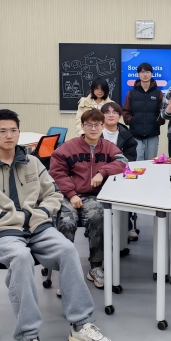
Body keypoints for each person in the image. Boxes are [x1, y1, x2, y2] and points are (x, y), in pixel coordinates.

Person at [0, 109, 113, 341]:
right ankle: (29, 336)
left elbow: (53, 194)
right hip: (2, 231)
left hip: (37, 227)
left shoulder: (32, 162)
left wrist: (39, 213)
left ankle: (81, 324)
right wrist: (3, 217)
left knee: (67, 250)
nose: (9, 135)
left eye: (13, 130)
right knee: (21, 258)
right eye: (2, 131)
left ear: (19, 132)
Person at [49, 109, 127, 290]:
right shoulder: (68, 148)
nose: (93, 128)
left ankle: (95, 267)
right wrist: (72, 194)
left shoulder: (108, 146)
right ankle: (66, 272)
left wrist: (103, 171)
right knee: (66, 222)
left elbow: (123, 162)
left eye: (97, 125)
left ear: (103, 126)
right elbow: (57, 172)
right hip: (68, 195)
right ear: (82, 126)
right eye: (89, 125)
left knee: (99, 217)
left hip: (93, 196)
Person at [100, 101, 140, 242]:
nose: (111, 115)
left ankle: (127, 226)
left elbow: (129, 159)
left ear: (120, 116)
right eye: (107, 112)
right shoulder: (95, 133)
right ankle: (97, 225)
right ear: (101, 115)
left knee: (126, 189)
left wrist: (112, 168)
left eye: (115, 112)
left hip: (120, 174)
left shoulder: (127, 136)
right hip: (99, 175)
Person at [122, 62, 165, 161]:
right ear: (138, 74)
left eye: (147, 72)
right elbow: (125, 111)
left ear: (151, 74)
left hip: (153, 134)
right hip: (135, 134)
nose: (145, 74)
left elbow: (162, 112)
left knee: (151, 162)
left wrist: (157, 122)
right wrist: (132, 121)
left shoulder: (158, 93)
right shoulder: (131, 93)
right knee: (137, 162)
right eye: (142, 72)